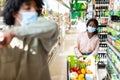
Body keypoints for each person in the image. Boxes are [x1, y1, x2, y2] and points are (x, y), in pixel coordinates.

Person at [0, 0, 58, 80]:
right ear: (14, 13)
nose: (34, 12)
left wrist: (14, 32)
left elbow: (53, 26)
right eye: (28, 8)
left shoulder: (40, 37)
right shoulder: (3, 38)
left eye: (36, 8)